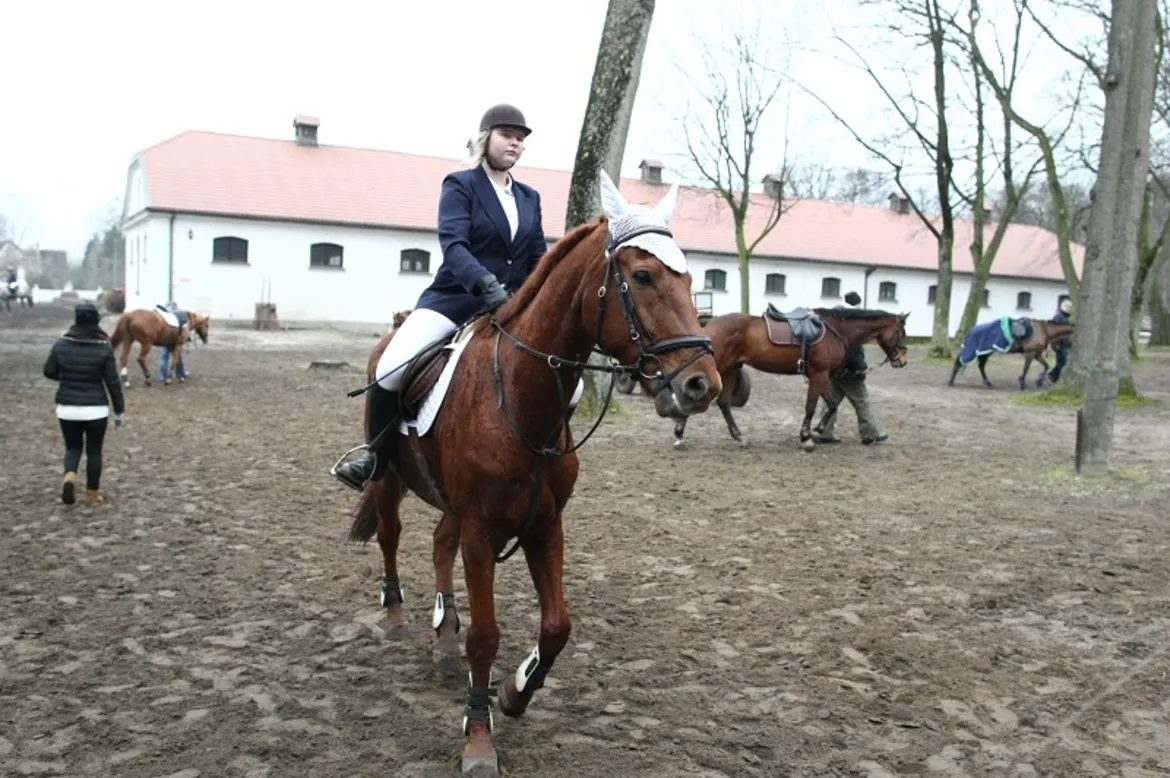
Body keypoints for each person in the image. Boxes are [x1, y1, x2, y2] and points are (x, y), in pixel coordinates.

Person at [332, 103, 578, 492]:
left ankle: (542, 454)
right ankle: (375, 458)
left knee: (573, 384)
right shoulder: (461, 184)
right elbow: (454, 244)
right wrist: (483, 283)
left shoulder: (529, 197)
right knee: (391, 367)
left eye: (520, 139)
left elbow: (535, 256)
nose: (515, 143)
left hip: (514, 307)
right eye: (507, 135)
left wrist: (543, 294)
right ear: (486, 138)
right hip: (455, 300)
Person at [42, 300, 126, 505]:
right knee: (94, 451)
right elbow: (113, 381)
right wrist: (119, 410)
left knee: (72, 447)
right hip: (95, 409)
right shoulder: (103, 346)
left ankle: (70, 475)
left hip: (67, 407)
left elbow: (49, 371)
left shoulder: (61, 343)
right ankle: (92, 494)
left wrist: (68, 377)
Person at [816, 291, 889, 445]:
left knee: (831, 402)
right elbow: (853, 350)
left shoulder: (833, 320)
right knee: (861, 401)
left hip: (834, 371)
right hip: (849, 373)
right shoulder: (851, 324)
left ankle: (825, 432)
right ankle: (870, 434)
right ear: (858, 305)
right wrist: (860, 368)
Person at [1048, 297, 1073, 384]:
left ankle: (1054, 377)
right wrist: (1056, 344)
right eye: (1068, 307)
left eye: (1070, 307)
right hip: (1059, 345)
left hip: (1065, 344)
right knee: (1062, 362)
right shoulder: (1058, 317)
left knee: (1063, 362)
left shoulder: (1065, 318)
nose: (1069, 309)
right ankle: (1052, 376)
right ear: (1063, 307)